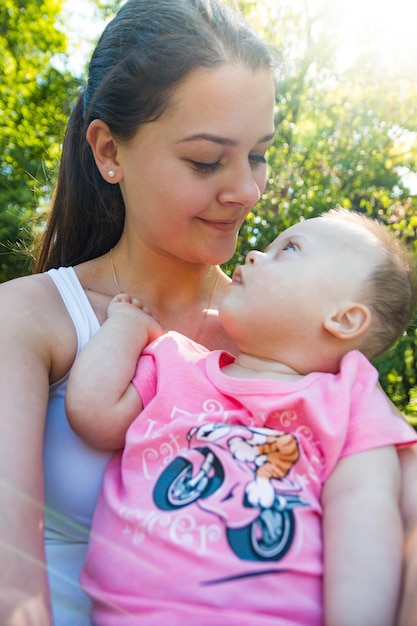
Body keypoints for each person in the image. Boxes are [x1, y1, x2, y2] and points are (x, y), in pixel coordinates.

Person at [0, 0, 278, 624]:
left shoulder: (279, 334)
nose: (248, 190)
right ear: (109, 152)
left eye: (258, 154)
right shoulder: (25, 320)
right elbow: (9, 589)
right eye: (207, 160)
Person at [66, 208, 417, 626]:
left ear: (343, 319)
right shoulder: (174, 359)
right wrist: (126, 327)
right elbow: (93, 413)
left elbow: (365, 514)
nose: (253, 254)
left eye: (288, 250)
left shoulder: (348, 399)